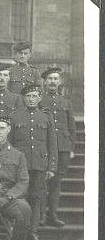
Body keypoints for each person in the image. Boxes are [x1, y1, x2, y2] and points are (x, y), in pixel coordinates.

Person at [10, 84, 57, 240]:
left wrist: (51, 167)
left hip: (39, 165)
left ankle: (33, 234)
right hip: (20, 167)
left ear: (39, 98)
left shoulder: (46, 117)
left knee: (36, 199)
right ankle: (19, 234)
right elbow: (10, 144)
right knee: (20, 200)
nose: (31, 99)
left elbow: (52, 144)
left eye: (34, 96)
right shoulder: (15, 117)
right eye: (28, 96)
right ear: (24, 98)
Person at [39, 67, 76, 227]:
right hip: (44, 148)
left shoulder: (66, 102)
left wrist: (71, 147)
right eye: (50, 79)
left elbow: (72, 126)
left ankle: (53, 215)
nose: (53, 81)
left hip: (62, 148)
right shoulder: (39, 101)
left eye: (55, 79)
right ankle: (40, 216)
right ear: (45, 82)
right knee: (41, 182)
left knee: (56, 182)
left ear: (59, 82)